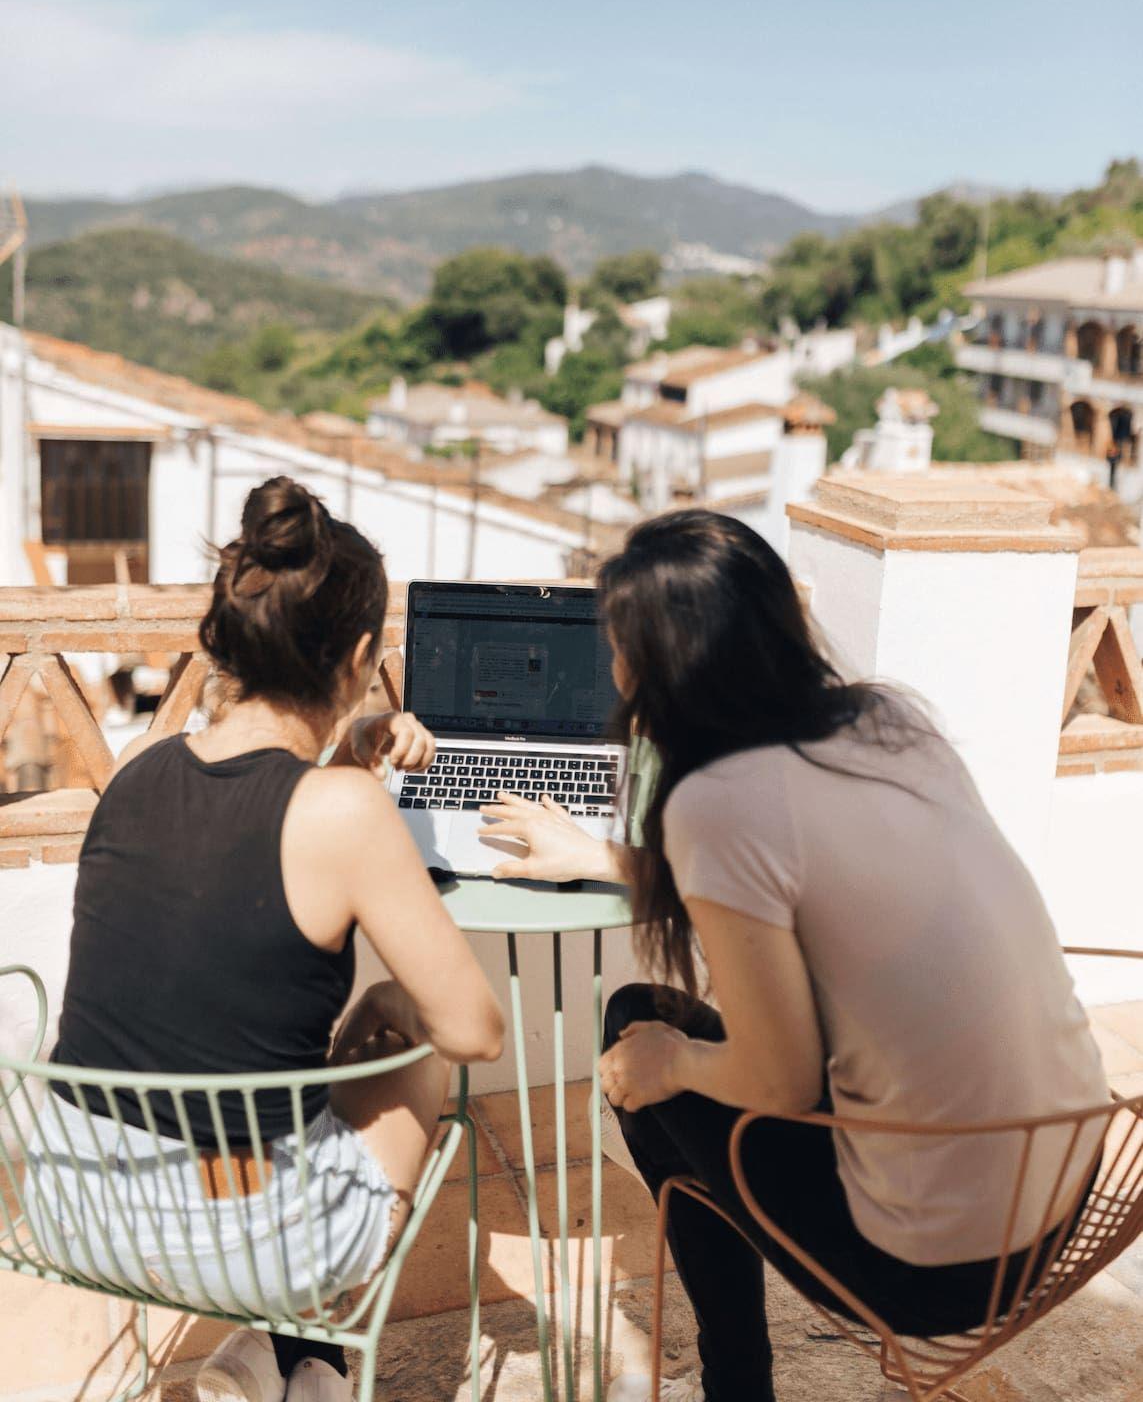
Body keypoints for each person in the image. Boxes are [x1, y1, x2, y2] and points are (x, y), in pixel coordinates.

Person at [479, 508, 1108, 1402]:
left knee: (641, 1027)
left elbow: (776, 1082)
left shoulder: (714, 803)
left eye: (619, 649)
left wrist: (675, 1059)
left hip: (939, 1269)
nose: (612, 672)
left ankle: (739, 1388)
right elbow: (811, 877)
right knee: (705, 1046)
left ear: (661, 670)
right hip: (1068, 1188)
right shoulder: (888, 721)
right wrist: (596, 855)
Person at [26, 478, 504, 1402]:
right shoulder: (342, 812)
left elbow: (241, 826)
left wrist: (341, 757)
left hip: (73, 1202)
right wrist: (350, 791)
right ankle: (312, 1352)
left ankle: (279, 1363)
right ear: (363, 655)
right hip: (234, 1235)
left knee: (287, 1055)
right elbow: (477, 1029)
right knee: (404, 1028)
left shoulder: (138, 769)